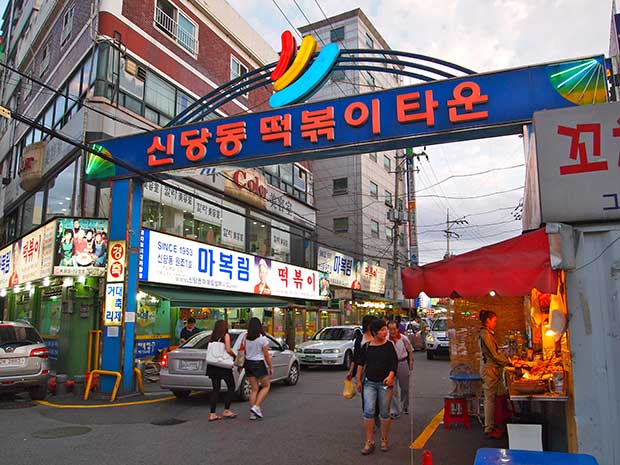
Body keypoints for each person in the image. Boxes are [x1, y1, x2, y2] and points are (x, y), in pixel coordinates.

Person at [356, 318, 398, 454]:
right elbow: (360, 364)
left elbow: (394, 364)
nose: (385, 332)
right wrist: (358, 380)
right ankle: (369, 442)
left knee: (385, 413)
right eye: (382, 330)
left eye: (385, 329)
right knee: (368, 411)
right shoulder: (367, 346)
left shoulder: (389, 346)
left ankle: (384, 439)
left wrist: (391, 376)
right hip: (369, 383)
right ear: (374, 332)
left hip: (385, 384)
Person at [479, 309, 513, 439]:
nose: (495, 323)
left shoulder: (487, 333)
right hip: (489, 370)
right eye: (494, 321)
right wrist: (507, 362)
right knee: (490, 399)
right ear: (487, 321)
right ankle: (489, 428)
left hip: (492, 369)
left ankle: (497, 423)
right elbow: (493, 355)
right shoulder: (485, 334)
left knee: (496, 397)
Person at [206, 320, 237, 421]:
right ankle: (226, 410)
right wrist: (234, 355)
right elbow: (228, 349)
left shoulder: (213, 336)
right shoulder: (226, 335)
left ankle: (212, 413)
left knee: (215, 389)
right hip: (223, 365)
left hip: (213, 365)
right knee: (231, 386)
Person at [243, 317, 273, 420]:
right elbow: (266, 355)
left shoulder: (245, 338)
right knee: (266, 386)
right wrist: (270, 367)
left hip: (248, 363)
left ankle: (252, 413)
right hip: (258, 363)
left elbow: (245, 352)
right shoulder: (262, 339)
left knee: (254, 389)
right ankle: (256, 406)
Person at [388, 320, 414, 417]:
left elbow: (410, 350)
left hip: (402, 363)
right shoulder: (386, 339)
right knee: (392, 389)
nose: (392, 331)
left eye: (394, 329)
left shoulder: (404, 338)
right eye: (390, 329)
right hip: (390, 365)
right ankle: (394, 410)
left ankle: (405, 406)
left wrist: (411, 361)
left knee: (405, 388)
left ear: (398, 329)